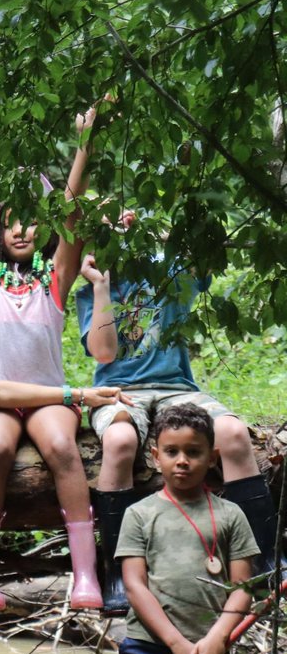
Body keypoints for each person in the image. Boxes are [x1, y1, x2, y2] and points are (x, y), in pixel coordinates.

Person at [78, 229, 280, 614]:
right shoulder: (92, 291)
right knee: (119, 440)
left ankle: (264, 560)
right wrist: (102, 286)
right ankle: (118, 574)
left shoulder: (171, 271)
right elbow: (104, 355)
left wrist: (171, 233)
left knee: (233, 432)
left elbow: (208, 246)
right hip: (120, 389)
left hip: (176, 386)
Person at [0, 104, 103, 611]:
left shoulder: (54, 278)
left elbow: (70, 212)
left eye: (31, 220)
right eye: (10, 222)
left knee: (64, 450)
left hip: (49, 395)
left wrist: (84, 144)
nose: (21, 230)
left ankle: (85, 575)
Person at [86, 404, 259, 654]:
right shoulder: (139, 514)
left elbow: (243, 587)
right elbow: (135, 585)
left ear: (212, 457)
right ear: (155, 456)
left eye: (194, 452)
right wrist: (176, 643)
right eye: (172, 452)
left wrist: (216, 639)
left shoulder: (231, 515)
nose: (182, 461)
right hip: (148, 649)